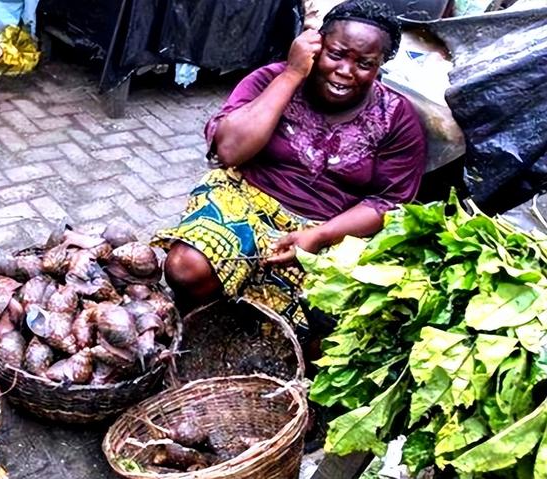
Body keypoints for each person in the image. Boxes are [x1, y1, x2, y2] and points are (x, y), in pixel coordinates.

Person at [153, 0, 427, 337]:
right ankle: (196, 327)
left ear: (380, 65)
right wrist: (293, 73)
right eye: (336, 54)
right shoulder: (271, 78)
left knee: (328, 323)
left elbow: (388, 202)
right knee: (186, 267)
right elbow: (229, 151)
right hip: (246, 200)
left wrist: (320, 235)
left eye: (364, 63)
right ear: (317, 44)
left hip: (330, 227)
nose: (345, 71)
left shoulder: (397, 118)